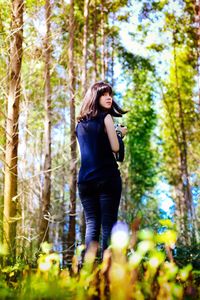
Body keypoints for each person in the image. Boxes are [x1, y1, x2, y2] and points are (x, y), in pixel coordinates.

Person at [75, 81, 127, 256]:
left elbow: (94, 144)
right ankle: (108, 272)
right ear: (95, 97)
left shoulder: (79, 124)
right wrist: (119, 133)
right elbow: (115, 147)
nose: (109, 98)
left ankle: (88, 272)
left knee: (91, 225)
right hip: (107, 178)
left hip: (85, 181)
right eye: (104, 94)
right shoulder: (106, 117)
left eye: (110, 94)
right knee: (108, 224)